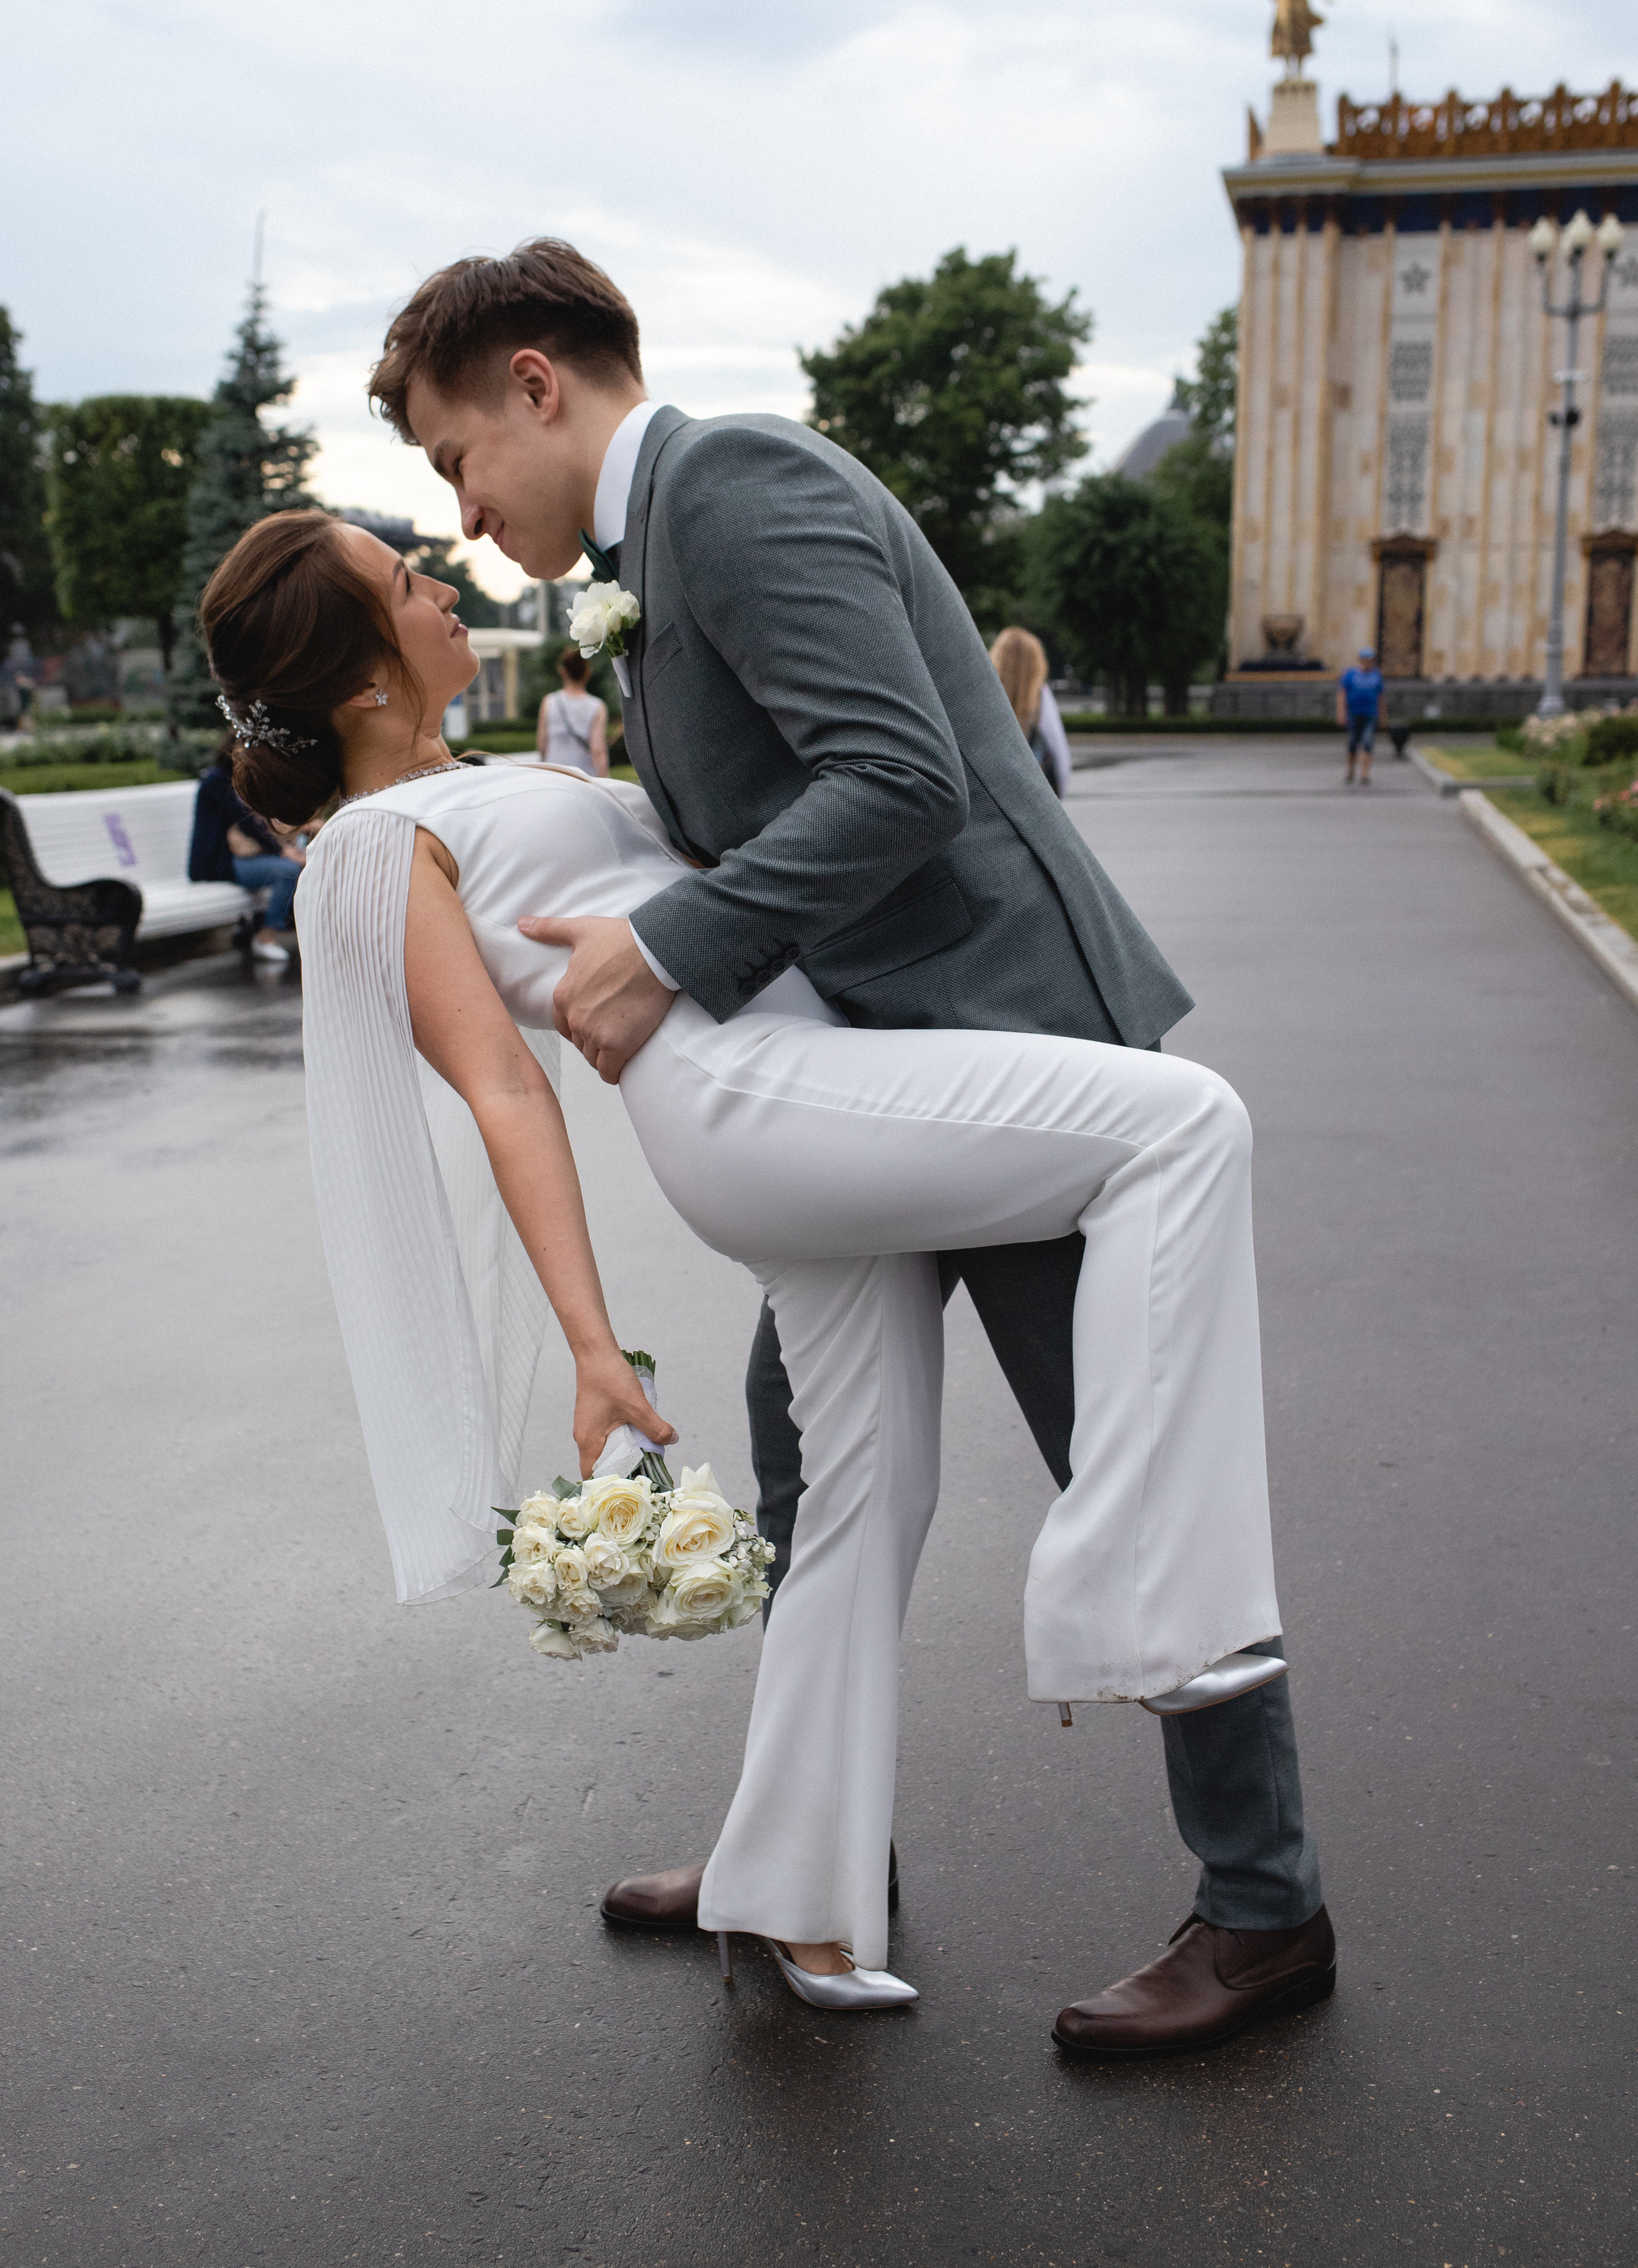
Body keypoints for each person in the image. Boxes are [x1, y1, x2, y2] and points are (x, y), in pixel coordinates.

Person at [355, 240, 1332, 2056]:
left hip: (1013, 1040)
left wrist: (675, 947)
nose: (465, 512)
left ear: (537, 385)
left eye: (451, 458)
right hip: (879, 1071)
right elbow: (765, 793)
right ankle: (805, 1860)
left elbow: (905, 776)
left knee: (1126, 1462)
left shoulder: (736, 485)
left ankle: (1269, 1912)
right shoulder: (658, 562)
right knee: (825, 1488)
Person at [189, 735, 309, 961]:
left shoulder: (235, 779)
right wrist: (281, 851)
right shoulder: (216, 782)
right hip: (220, 862)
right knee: (288, 870)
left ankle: (302, 935)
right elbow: (247, 823)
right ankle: (265, 937)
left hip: (244, 858)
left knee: (301, 869)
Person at [990, 626, 1071, 796]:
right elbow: (1058, 750)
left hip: (991, 792)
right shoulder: (1040, 696)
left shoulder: (985, 694)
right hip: (1032, 796)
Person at [537, 645, 609, 774]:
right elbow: (598, 750)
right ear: (588, 673)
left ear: (562, 671)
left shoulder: (549, 701)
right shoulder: (597, 706)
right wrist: (605, 779)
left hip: (554, 775)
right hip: (583, 777)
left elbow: (542, 745)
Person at [1337, 646, 1385, 786]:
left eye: (1371, 660)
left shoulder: (1376, 675)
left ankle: (1365, 773)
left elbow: (1380, 697)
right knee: (1353, 743)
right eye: (1366, 659)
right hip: (1353, 715)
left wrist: (1383, 717)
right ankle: (1350, 770)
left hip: (1370, 715)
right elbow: (1342, 694)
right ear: (1360, 659)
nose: (1368, 662)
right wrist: (1341, 713)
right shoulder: (1350, 674)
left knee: (1368, 743)